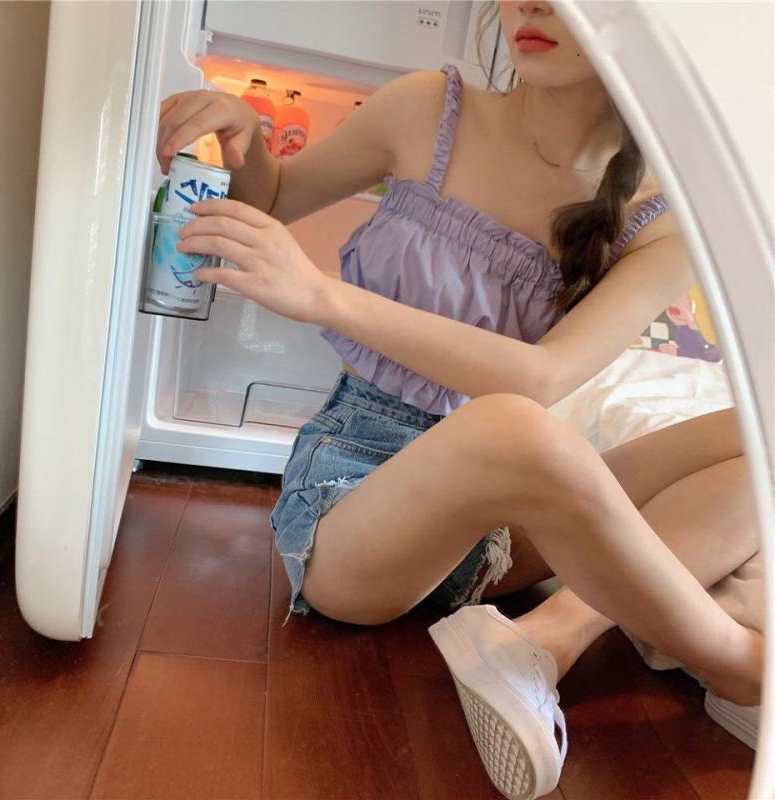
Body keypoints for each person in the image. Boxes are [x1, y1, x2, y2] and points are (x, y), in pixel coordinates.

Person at [156, 2, 761, 797]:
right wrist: (243, 138)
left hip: (496, 540)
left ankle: (547, 635)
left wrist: (323, 294)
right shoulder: (424, 108)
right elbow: (271, 199)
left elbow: (544, 376)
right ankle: (741, 665)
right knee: (513, 427)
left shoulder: (659, 222)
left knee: (755, 433)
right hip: (355, 505)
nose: (532, 4)